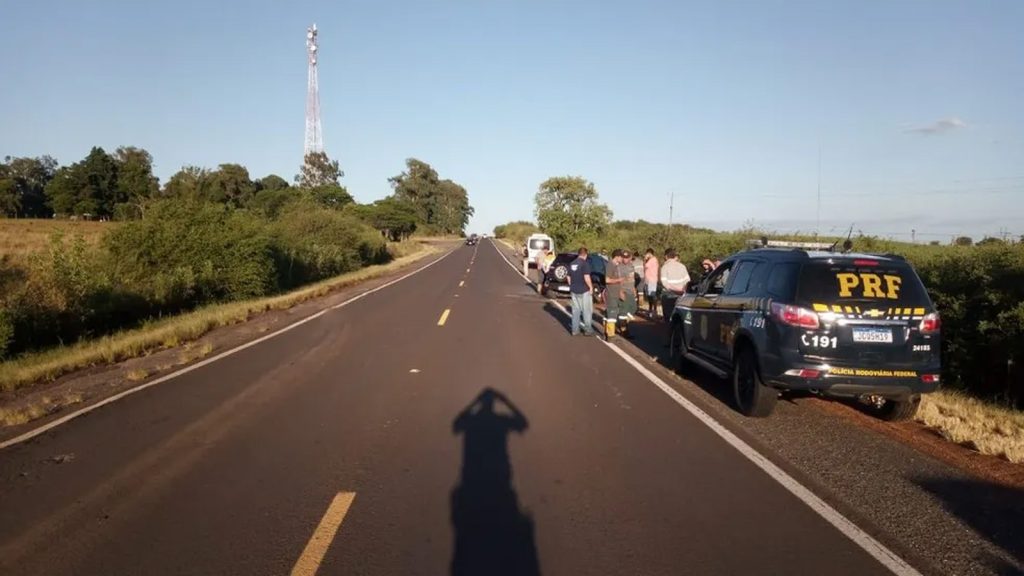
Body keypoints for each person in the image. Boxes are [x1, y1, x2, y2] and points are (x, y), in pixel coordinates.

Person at [567, 247, 595, 337]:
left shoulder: (572, 263)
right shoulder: (585, 264)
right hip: (584, 290)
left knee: (575, 311)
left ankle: (575, 330)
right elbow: (586, 277)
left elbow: (568, 276)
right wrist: (591, 287)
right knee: (587, 310)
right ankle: (588, 329)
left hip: (574, 289)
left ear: (578, 254)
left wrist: (571, 285)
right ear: (585, 254)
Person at [659, 248, 691, 322]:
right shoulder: (682, 266)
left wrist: (674, 290)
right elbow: (688, 281)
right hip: (681, 295)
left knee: (668, 317)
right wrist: (682, 291)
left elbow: (664, 283)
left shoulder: (664, 267)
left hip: (668, 295)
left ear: (666, 256)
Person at [603, 249, 625, 338]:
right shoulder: (610, 265)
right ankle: (610, 335)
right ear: (617, 257)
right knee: (612, 314)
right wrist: (619, 280)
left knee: (610, 314)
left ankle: (607, 332)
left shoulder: (616, 266)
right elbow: (607, 280)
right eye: (621, 257)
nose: (622, 259)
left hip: (615, 293)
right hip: (611, 294)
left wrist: (620, 292)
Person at [618, 250, 639, 337]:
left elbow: (632, 279)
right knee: (624, 311)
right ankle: (624, 330)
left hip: (630, 290)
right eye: (624, 257)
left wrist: (634, 289)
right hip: (624, 290)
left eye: (627, 258)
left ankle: (621, 324)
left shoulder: (631, 266)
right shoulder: (619, 267)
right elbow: (617, 280)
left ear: (630, 257)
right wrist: (620, 291)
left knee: (633, 308)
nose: (625, 259)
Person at [643, 248, 660, 315]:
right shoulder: (653, 260)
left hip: (651, 280)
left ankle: (654, 310)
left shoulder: (652, 260)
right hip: (649, 280)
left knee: (652, 295)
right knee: (649, 296)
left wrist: (645, 259)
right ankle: (651, 309)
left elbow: (645, 266)